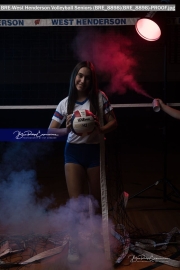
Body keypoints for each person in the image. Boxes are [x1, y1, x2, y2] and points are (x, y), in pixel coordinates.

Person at [48, 61, 117, 263]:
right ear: (74, 77)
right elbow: (51, 131)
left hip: (95, 152)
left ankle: (96, 238)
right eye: (80, 75)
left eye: (87, 77)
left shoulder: (99, 97)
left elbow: (114, 121)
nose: (83, 80)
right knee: (77, 204)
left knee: (95, 203)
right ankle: (76, 244)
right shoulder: (65, 103)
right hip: (74, 154)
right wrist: (66, 129)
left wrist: (101, 129)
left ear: (91, 81)